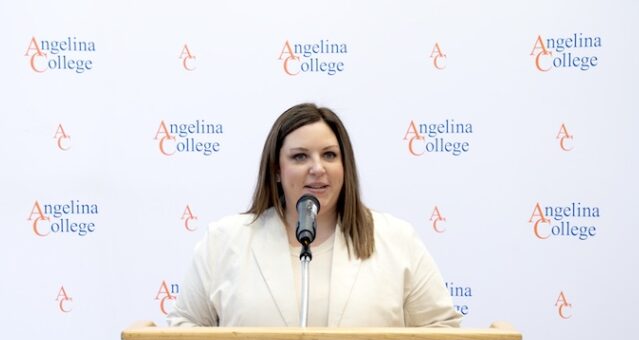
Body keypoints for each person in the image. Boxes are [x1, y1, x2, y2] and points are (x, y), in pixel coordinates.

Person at [166, 103, 462, 328]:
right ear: (276, 170)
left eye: (329, 155)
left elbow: (442, 332)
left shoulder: (396, 239)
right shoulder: (224, 241)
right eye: (300, 156)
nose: (317, 168)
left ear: (345, 166)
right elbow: (182, 332)